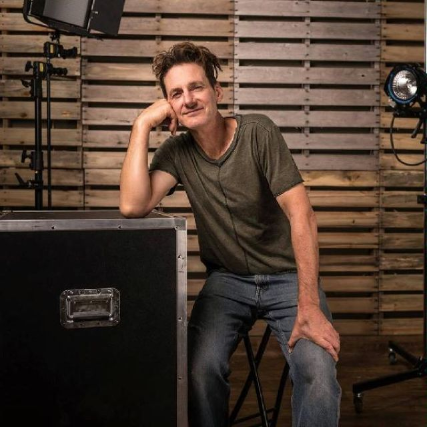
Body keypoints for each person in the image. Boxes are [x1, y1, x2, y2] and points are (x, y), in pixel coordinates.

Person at [119, 42, 341, 427]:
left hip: (288, 278)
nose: (188, 99)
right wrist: (141, 125)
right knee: (197, 369)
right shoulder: (177, 153)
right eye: (176, 94)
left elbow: (301, 215)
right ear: (168, 105)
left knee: (318, 372)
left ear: (217, 91)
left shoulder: (258, 132)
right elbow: (133, 206)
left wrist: (308, 303)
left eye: (196, 87)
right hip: (227, 281)